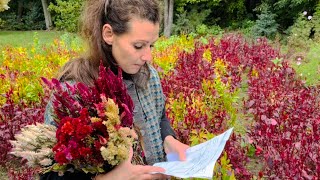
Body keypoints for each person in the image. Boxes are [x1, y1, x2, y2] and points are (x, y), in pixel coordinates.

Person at [42, 0, 189, 179]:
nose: (148, 56)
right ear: (109, 34)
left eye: (151, 45)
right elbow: (49, 172)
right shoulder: (73, 92)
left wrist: (169, 140)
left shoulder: (148, 75)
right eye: (138, 46)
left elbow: (160, 117)